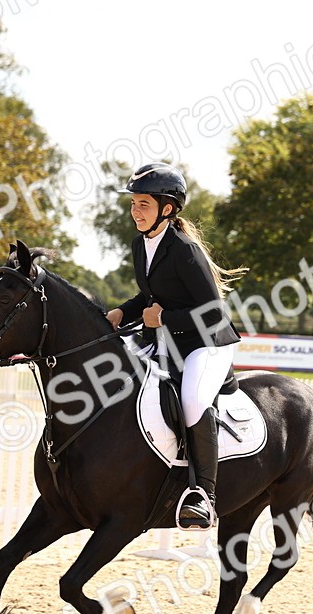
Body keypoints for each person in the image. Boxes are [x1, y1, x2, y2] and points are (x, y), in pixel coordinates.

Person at [106, 162, 243, 529]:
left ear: (167, 208)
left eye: (144, 204)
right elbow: (152, 293)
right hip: (171, 341)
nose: (136, 211)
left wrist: (163, 318)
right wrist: (124, 310)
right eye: (133, 203)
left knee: (194, 401)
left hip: (208, 344)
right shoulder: (142, 244)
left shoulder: (184, 249)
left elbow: (213, 312)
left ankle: (204, 496)